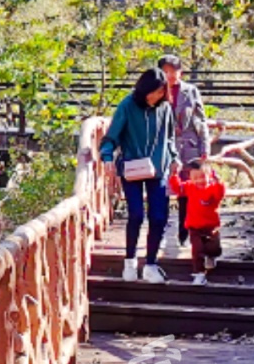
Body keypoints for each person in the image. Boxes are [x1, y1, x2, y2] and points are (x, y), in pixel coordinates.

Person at [98, 68, 177, 282]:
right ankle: (130, 261)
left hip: (158, 168)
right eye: (154, 92)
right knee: (136, 215)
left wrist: (174, 157)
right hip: (132, 168)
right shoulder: (127, 106)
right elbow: (111, 137)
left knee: (159, 217)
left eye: (161, 92)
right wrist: (106, 157)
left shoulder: (165, 108)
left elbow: (169, 138)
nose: (157, 96)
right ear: (144, 89)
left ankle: (151, 264)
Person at [156, 54, 210, 251]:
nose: (169, 75)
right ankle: (159, 233)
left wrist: (204, 148)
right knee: (162, 190)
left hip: (188, 146)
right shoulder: (156, 91)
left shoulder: (190, 91)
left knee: (187, 192)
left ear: (181, 72)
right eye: (165, 71)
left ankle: (184, 233)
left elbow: (201, 120)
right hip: (163, 147)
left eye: (173, 71)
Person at [170, 157, 228, 285]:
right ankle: (199, 274)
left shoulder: (212, 188)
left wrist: (219, 182)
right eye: (195, 178)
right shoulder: (190, 187)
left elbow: (220, 194)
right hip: (194, 226)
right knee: (197, 251)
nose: (199, 181)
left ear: (209, 175)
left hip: (211, 226)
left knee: (213, 247)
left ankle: (212, 256)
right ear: (190, 178)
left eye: (202, 177)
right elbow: (178, 188)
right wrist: (174, 175)